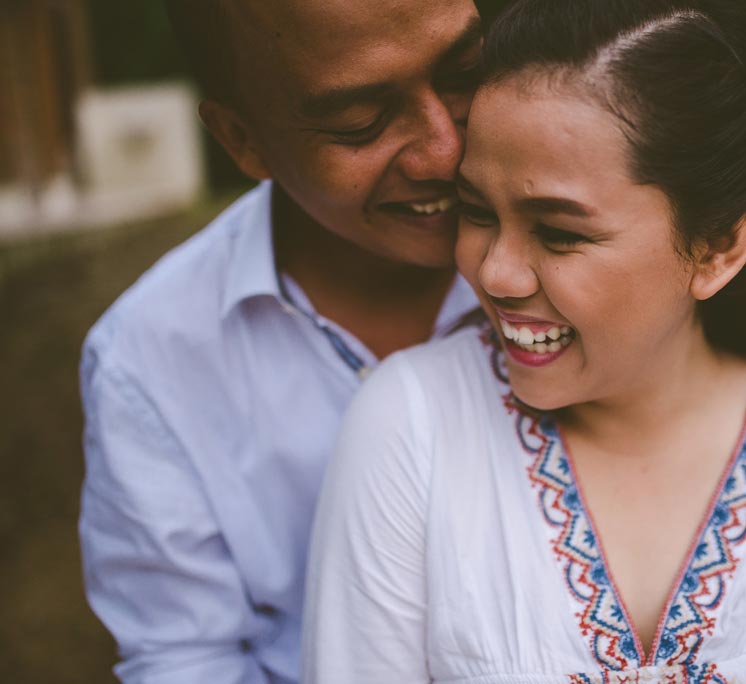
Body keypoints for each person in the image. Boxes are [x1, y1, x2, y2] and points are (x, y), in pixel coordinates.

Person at [302, 0, 746, 681]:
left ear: (719, 244)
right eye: (476, 212)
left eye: (560, 232)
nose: (495, 273)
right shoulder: (411, 428)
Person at [77, 1, 485, 682]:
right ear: (244, 141)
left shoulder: (606, 252)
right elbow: (186, 661)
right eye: (361, 121)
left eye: (464, 72)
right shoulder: (150, 361)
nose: (444, 150)